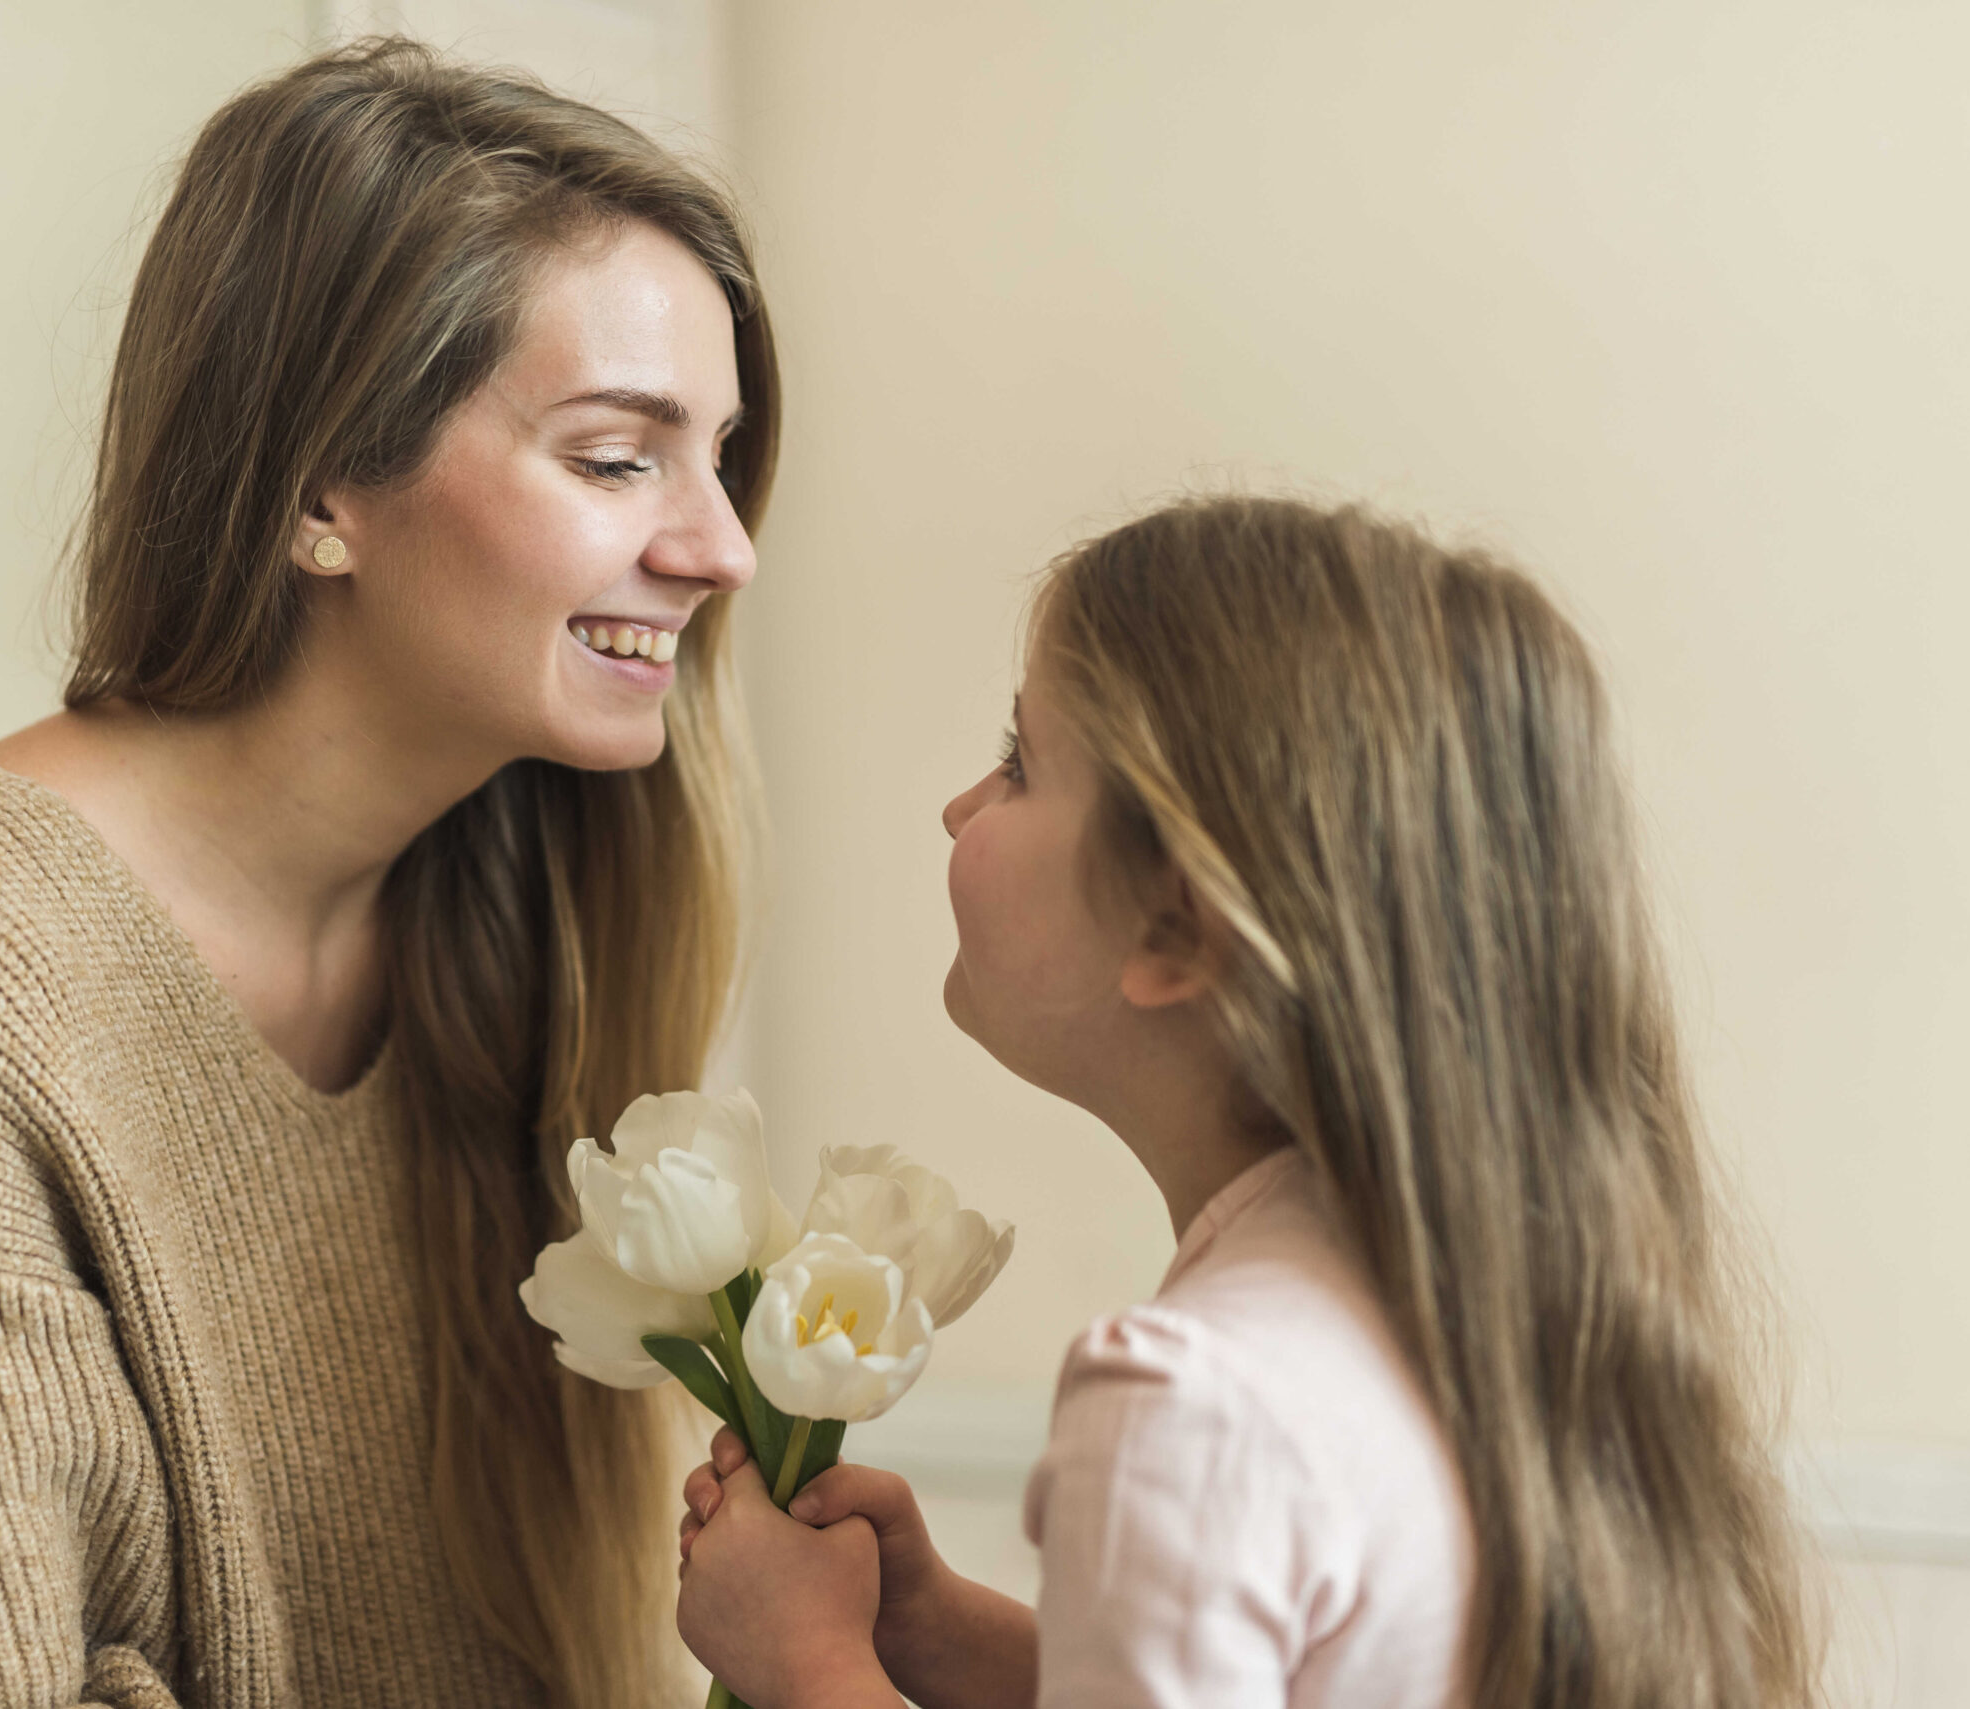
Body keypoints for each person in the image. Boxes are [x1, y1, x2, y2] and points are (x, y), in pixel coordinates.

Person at [0, 38, 773, 1709]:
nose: (720, 545)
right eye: (613, 456)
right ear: (316, 491)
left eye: (719, 455)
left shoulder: (512, 940)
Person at [674, 497, 1820, 1709]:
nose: (961, 807)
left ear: (1177, 921)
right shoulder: (1463, 1312)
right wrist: (935, 1630)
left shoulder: (1193, 1406)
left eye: (1018, 762)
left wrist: (806, 1666)